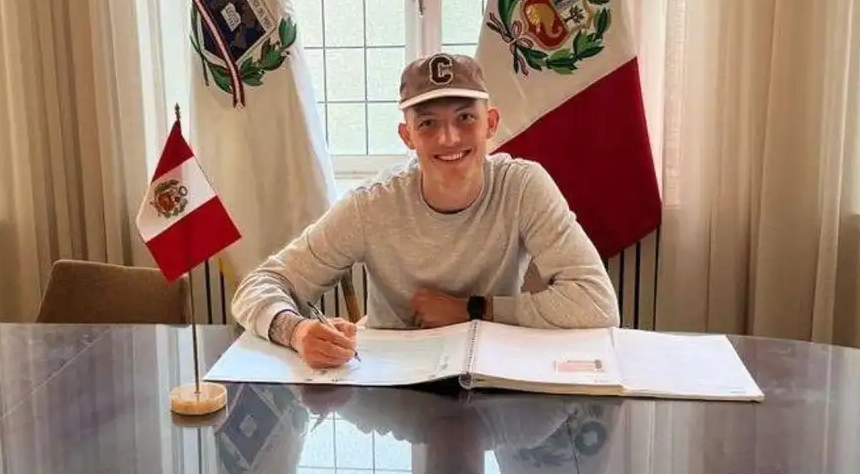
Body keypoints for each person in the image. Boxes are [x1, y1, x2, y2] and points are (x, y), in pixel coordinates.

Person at [230, 52, 619, 369]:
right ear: (407, 136)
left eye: (465, 118)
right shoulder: (372, 204)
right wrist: (296, 332)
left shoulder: (523, 187)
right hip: (391, 382)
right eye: (428, 123)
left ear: (491, 124)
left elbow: (597, 304)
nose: (448, 138)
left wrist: (471, 310)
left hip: (491, 378)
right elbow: (258, 286)